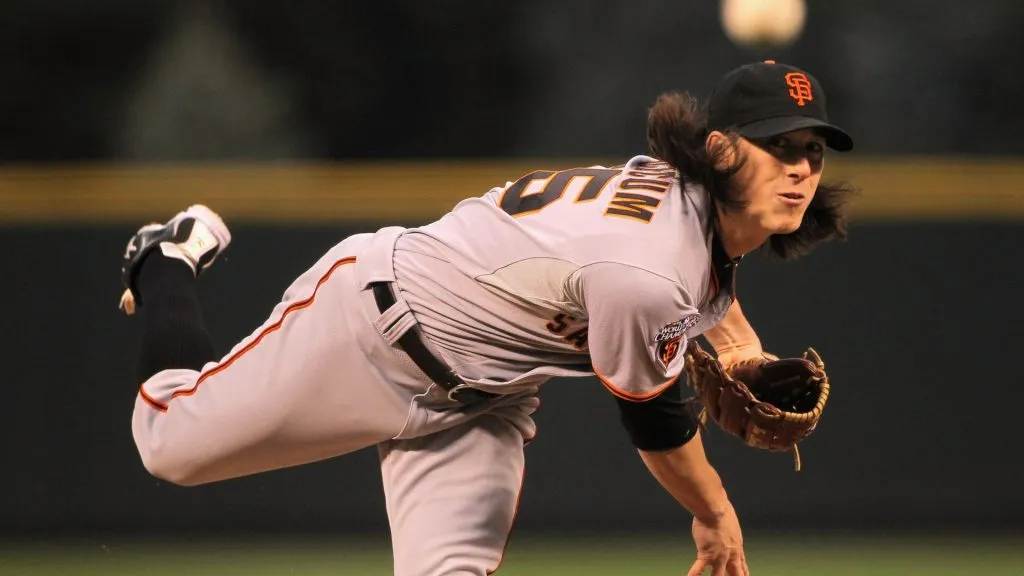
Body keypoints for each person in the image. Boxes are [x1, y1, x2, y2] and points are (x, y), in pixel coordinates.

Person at [119, 60, 854, 576]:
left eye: (812, 152)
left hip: (481, 403)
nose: (799, 169)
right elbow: (657, 422)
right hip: (373, 327)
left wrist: (740, 352)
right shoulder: (649, 269)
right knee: (169, 443)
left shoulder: (687, 207)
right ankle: (168, 257)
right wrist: (716, 513)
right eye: (778, 146)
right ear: (721, 150)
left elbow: (698, 290)